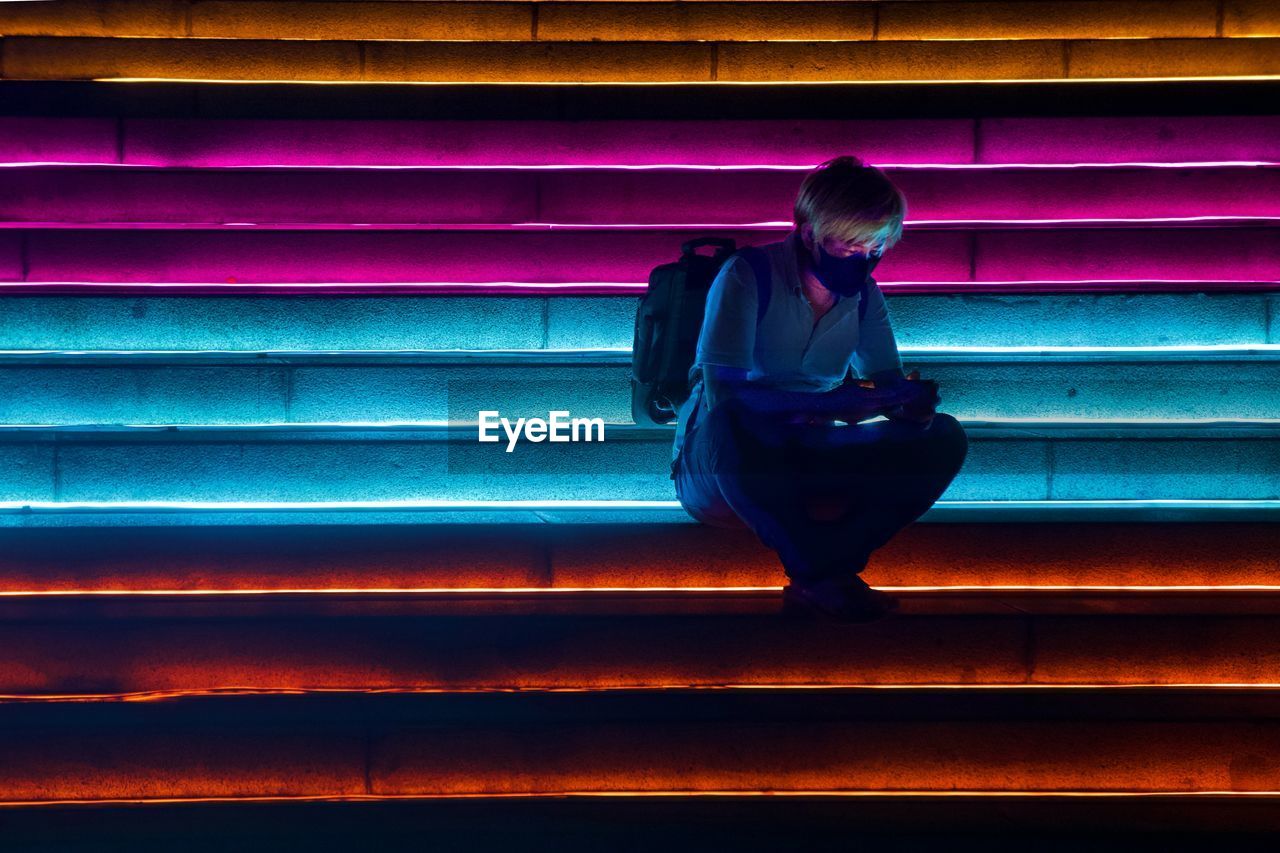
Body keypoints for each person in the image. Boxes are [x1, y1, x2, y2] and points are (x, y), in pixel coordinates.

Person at [670, 155, 969, 622]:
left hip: (810, 451)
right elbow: (724, 397)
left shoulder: (864, 295)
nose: (863, 259)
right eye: (849, 245)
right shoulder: (748, 275)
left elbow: (888, 377)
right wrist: (832, 402)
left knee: (944, 437)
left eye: (875, 247)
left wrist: (910, 406)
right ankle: (824, 575)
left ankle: (823, 573)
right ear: (809, 232)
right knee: (733, 423)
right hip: (722, 463)